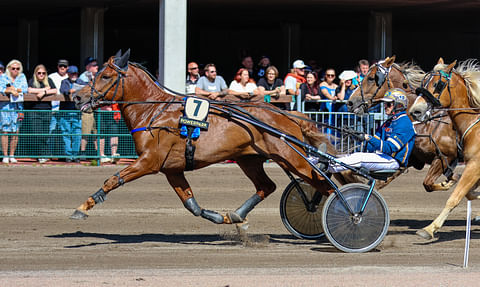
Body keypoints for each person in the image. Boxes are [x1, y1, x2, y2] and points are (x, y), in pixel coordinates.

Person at [321, 88, 416, 173]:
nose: (385, 106)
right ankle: (314, 161)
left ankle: (328, 166)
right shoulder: (389, 121)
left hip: (393, 160)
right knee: (349, 156)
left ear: (398, 105)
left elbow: (389, 148)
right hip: (382, 157)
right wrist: (357, 136)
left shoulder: (404, 123)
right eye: (384, 104)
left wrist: (367, 137)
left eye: (388, 104)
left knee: (360, 158)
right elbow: (372, 145)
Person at [26, 64, 58, 163]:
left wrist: (43, 93)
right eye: (39, 73)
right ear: (35, 73)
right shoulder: (31, 81)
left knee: (45, 134)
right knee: (37, 133)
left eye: (43, 73)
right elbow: (29, 89)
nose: (41, 75)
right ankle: (43, 154)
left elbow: (55, 90)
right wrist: (45, 89)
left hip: (47, 111)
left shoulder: (49, 81)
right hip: (35, 111)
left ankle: (43, 155)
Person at [0, 60, 28, 164]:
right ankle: (5, 155)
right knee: (5, 131)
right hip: (5, 107)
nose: (15, 70)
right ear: (9, 68)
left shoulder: (22, 76)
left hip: (18, 107)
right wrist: (10, 90)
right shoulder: (3, 77)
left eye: (17, 68)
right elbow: (1, 88)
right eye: (13, 68)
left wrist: (13, 89)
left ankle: (12, 155)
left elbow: (24, 89)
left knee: (16, 131)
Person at [59, 66, 85, 163]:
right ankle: (68, 155)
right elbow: (64, 90)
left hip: (77, 111)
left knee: (77, 134)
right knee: (66, 133)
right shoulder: (64, 82)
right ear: (68, 74)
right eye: (71, 73)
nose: (74, 75)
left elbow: (87, 88)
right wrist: (71, 91)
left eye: (75, 73)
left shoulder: (81, 81)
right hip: (65, 111)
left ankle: (75, 155)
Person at [48, 59, 69, 159]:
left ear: (67, 67)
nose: (62, 68)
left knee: (64, 132)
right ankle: (50, 153)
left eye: (64, 66)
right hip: (53, 108)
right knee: (52, 131)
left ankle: (63, 154)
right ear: (58, 67)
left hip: (65, 109)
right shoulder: (51, 77)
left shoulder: (70, 76)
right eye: (61, 66)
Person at [79, 56, 98, 159]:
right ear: (87, 67)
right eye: (93, 65)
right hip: (87, 108)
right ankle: (82, 153)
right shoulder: (83, 77)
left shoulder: (98, 76)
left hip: (96, 108)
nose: (96, 67)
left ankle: (97, 153)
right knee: (85, 131)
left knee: (96, 131)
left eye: (96, 65)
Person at [319, 68, 338, 134]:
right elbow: (325, 93)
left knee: (333, 126)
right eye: (328, 75)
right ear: (325, 76)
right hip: (325, 109)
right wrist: (332, 98)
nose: (330, 77)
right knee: (324, 127)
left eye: (332, 75)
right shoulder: (322, 84)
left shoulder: (336, 86)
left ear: (335, 76)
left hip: (333, 110)